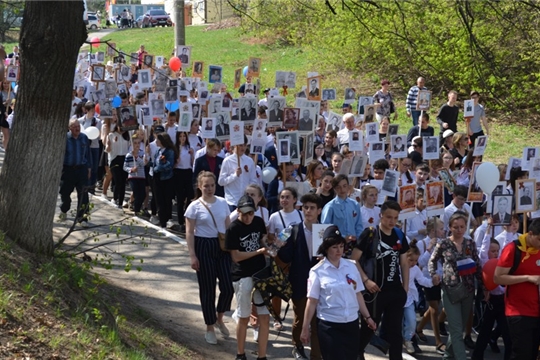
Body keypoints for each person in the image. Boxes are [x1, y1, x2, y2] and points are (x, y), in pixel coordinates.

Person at [300, 225, 376, 360]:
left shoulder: (351, 266)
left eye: (341, 246)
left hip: (351, 324)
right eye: (334, 247)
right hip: (329, 326)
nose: (339, 251)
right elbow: (312, 302)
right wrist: (305, 328)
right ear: (326, 248)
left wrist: (367, 317)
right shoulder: (317, 271)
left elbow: (357, 294)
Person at [352, 201, 410, 360]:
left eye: (395, 218)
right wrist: (365, 280)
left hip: (395, 291)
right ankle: (358, 352)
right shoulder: (370, 234)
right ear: (381, 216)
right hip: (375, 292)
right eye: (388, 217)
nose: (392, 221)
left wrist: (405, 289)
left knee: (395, 332)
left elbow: (404, 263)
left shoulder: (399, 234)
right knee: (369, 327)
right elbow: (354, 260)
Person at [184, 171, 233, 345]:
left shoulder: (223, 203)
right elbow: (189, 232)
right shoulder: (194, 206)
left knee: (228, 287)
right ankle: (209, 327)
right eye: (206, 186)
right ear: (200, 186)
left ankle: (219, 318)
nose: (210, 188)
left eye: (212, 185)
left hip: (221, 246)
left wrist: (232, 249)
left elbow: (228, 226)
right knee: (208, 289)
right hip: (203, 246)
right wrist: (192, 255)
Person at [429, 212, 484, 360]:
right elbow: (432, 261)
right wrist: (433, 274)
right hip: (450, 290)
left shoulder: (470, 243)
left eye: (462, 227)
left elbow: (478, 265)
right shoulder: (444, 243)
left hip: (468, 289)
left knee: (458, 328)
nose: (459, 230)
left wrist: (485, 287)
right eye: (456, 227)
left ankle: (447, 355)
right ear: (450, 227)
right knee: (455, 329)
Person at [277, 194, 323, 359]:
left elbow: (334, 256)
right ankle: (297, 345)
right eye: (305, 207)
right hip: (299, 282)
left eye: (312, 208)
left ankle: (316, 355)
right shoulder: (293, 230)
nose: (308, 211)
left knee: (317, 322)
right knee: (300, 318)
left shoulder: (325, 231)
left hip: (321, 284)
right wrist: (280, 246)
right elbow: (285, 257)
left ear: (319, 211)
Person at [225, 195, 269, 360]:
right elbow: (235, 257)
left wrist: (270, 243)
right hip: (242, 275)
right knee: (243, 316)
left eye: (250, 213)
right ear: (237, 211)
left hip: (260, 274)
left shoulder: (258, 222)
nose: (248, 217)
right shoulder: (233, 228)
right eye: (244, 213)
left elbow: (262, 239)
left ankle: (262, 356)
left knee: (264, 316)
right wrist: (258, 252)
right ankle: (240, 354)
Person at [494, 218, 540, 360]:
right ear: (530, 234)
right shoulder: (513, 249)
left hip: (537, 311)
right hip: (518, 311)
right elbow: (498, 278)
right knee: (522, 354)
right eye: (539, 239)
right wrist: (527, 278)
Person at [402, 240, 434, 354]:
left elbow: (422, 280)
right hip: (396, 299)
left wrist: (432, 282)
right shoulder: (397, 267)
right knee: (397, 322)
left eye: (416, 260)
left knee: (411, 321)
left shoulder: (415, 269)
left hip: (409, 299)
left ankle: (407, 339)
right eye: (411, 260)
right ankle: (397, 340)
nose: (413, 263)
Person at [59, 119, 92, 225]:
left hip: (81, 169)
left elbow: (88, 154)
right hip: (68, 170)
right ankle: (64, 209)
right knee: (65, 193)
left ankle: (82, 218)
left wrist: (89, 168)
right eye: (74, 126)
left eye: (78, 126)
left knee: (83, 194)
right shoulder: (65, 139)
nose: (77, 128)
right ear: (69, 128)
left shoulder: (84, 138)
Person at [321, 174, 363, 257]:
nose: (342, 189)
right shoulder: (330, 206)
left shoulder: (355, 204)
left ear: (348, 186)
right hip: (336, 245)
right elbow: (325, 228)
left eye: (344, 186)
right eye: (338, 187)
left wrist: (358, 240)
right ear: (335, 188)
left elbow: (358, 225)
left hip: (353, 245)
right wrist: (343, 237)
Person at [218, 137, 258, 210]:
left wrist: (250, 193)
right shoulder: (227, 161)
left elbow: (253, 180)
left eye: (244, 145)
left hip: (245, 201)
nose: (242, 148)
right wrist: (234, 175)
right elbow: (221, 181)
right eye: (240, 145)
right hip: (231, 201)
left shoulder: (249, 161)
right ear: (235, 145)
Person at [152, 133, 178, 229]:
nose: (156, 142)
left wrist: (159, 167)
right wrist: (148, 163)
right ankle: (162, 221)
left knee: (166, 200)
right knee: (159, 200)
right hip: (157, 178)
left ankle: (167, 219)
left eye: (157, 140)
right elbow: (155, 164)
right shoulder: (157, 151)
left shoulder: (169, 152)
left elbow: (169, 166)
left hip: (166, 179)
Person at [123, 136, 147, 216]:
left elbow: (143, 164)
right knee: (136, 192)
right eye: (135, 143)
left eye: (138, 143)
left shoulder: (142, 154)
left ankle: (137, 206)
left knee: (142, 194)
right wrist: (131, 169)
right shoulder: (128, 155)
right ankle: (137, 210)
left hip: (141, 176)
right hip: (132, 177)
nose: (137, 145)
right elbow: (125, 167)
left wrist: (137, 157)